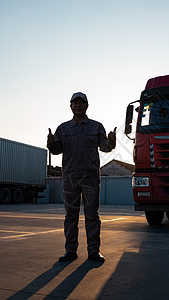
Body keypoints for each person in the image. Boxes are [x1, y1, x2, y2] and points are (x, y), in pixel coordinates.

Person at [47, 92, 116, 263]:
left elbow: (105, 148)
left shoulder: (96, 127)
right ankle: (70, 250)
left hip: (90, 178)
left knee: (92, 215)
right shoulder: (63, 128)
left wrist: (112, 141)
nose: (78, 105)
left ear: (87, 106)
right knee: (71, 216)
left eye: (81, 103)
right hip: (70, 178)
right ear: (70, 106)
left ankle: (94, 251)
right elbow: (56, 150)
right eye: (74, 103)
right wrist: (50, 143)